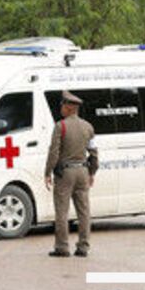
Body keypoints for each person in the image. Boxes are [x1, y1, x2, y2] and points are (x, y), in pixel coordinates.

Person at [45, 91, 99, 258]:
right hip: (83, 171)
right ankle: (83, 247)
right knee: (84, 211)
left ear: (68, 108)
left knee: (62, 211)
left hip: (65, 173)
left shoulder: (61, 126)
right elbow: (94, 153)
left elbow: (54, 152)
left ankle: (62, 247)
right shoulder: (88, 127)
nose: (60, 108)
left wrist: (47, 172)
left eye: (62, 105)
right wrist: (92, 172)